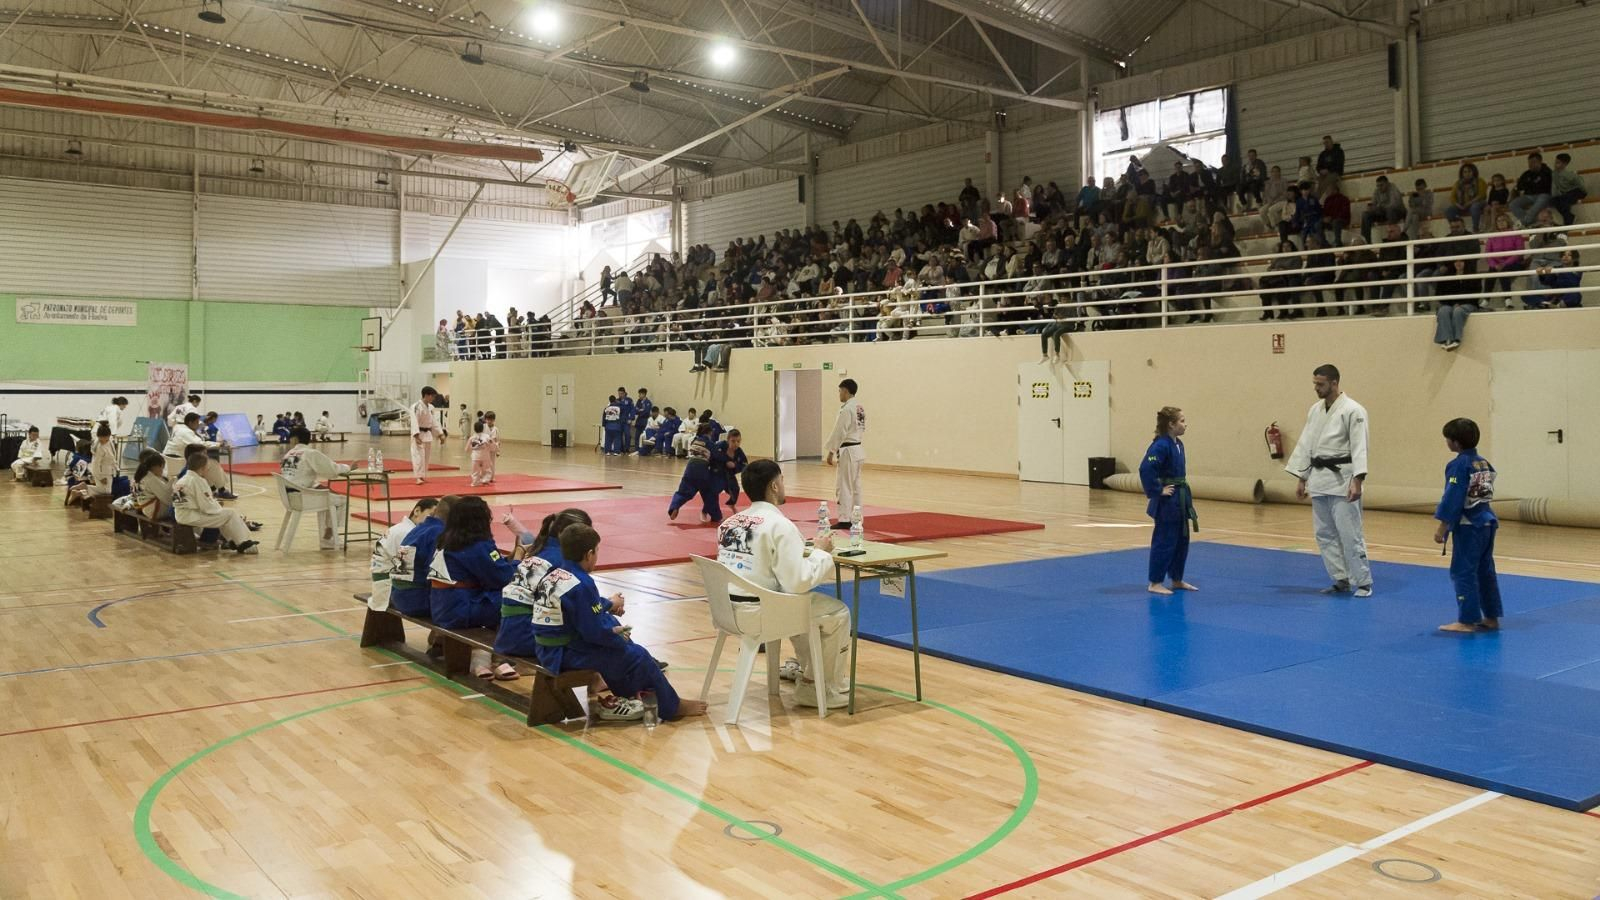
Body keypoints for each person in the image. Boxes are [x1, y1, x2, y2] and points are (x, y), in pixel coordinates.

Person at [526, 524, 706, 721]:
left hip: (546, 648)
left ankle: (630, 697)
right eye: (597, 552)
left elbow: (585, 612)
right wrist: (617, 635)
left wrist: (610, 616)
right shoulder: (582, 583)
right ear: (589, 554)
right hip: (564, 654)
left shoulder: (554, 575)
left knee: (619, 647)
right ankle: (673, 707)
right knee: (637, 655)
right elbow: (593, 632)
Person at [716, 459, 851, 709]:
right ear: (774, 486)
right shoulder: (780, 526)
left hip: (728, 611)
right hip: (761, 614)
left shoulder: (728, 524)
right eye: (782, 479)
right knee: (836, 613)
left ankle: (812, 674)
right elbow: (797, 583)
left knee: (799, 606)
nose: (783, 484)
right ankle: (816, 685)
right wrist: (822, 552)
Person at [1285, 364, 1372, 597]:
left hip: (1343, 478)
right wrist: (1302, 477)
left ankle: (1363, 581)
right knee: (1324, 533)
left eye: (1320, 384)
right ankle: (1340, 579)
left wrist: (1358, 479)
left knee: (1349, 532)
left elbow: (1360, 447)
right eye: (1314, 383)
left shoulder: (1354, 410)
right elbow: (1306, 444)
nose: (1316, 388)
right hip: (1319, 478)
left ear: (1334, 383)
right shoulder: (1315, 410)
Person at [428, 496, 519, 679]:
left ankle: (483, 656)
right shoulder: (477, 544)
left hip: (441, 606)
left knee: (495, 595)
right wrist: (518, 557)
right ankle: (501, 657)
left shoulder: (445, 540)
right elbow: (502, 577)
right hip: (461, 609)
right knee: (514, 598)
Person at [1433, 418, 1502, 633]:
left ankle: (1467, 620)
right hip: (1487, 522)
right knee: (1485, 571)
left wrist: (1442, 527)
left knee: (1463, 571)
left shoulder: (1458, 465)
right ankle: (1491, 616)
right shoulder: (1482, 463)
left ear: (1454, 443)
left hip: (1469, 525)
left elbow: (1453, 498)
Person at [495, 508, 593, 658]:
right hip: (528, 636)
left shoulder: (540, 550)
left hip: (509, 633)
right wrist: (607, 605)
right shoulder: (562, 562)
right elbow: (580, 607)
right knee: (597, 635)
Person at [1139, 407, 1199, 596]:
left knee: (1182, 540)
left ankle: (1176, 578)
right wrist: (1158, 490)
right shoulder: (1160, 445)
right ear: (1171, 424)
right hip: (1167, 500)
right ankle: (1155, 582)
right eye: (1181, 421)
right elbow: (1146, 468)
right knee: (1165, 540)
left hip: (1180, 499)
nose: (1185, 424)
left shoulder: (1178, 444)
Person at [173, 448, 258, 553]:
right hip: (191, 516)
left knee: (224, 515)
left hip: (182, 514)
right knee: (230, 513)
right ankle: (244, 544)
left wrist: (216, 506)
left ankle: (232, 541)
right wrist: (218, 506)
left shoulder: (184, 479)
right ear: (203, 467)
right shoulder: (197, 481)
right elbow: (207, 507)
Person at [280, 426, 350, 550]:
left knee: (326, 493)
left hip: (288, 496)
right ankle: (327, 538)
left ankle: (327, 538)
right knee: (341, 500)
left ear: (295, 439)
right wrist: (348, 467)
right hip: (302, 498)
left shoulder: (287, 454)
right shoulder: (310, 453)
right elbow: (331, 470)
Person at [392, 496, 455, 619]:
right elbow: (434, 572)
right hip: (416, 601)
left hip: (398, 595)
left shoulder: (418, 528)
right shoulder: (438, 532)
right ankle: (440, 636)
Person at [369, 499, 437, 610]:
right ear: (417, 511)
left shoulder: (403, 528)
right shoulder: (406, 532)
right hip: (388, 587)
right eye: (431, 515)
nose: (434, 520)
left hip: (383, 582)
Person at [824, 378, 865, 528]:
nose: (839, 394)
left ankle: (845, 519)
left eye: (840, 391)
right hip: (858, 449)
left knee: (844, 485)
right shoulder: (859, 407)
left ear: (846, 391)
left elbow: (839, 432)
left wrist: (831, 451)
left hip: (848, 450)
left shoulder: (847, 409)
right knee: (856, 486)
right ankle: (857, 517)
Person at [163, 412, 233, 497]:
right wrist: (218, 444)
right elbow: (200, 444)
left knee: (206, 463)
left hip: (171, 460)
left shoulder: (178, 428)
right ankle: (221, 490)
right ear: (190, 422)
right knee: (212, 464)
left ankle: (212, 488)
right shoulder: (185, 432)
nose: (197, 425)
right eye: (196, 422)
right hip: (179, 461)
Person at [667, 424, 723, 524]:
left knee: (683, 492)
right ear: (710, 433)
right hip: (702, 469)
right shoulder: (710, 443)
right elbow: (716, 458)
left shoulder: (694, 441)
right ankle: (716, 516)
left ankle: (674, 507)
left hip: (690, 468)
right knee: (709, 494)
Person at [409, 386, 440, 484]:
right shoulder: (416, 406)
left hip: (427, 434)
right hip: (419, 434)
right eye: (432, 396)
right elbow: (414, 421)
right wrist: (416, 435)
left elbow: (434, 422)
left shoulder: (430, 407)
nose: (433, 399)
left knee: (426, 457)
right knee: (418, 456)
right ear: (426, 395)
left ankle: (422, 476)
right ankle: (418, 477)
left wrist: (440, 434)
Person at [717, 429, 748, 510]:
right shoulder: (720, 446)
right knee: (713, 492)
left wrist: (735, 465)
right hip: (717, 474)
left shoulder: (739, 451)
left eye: (738, 441)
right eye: (733, 441)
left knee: (735, 490)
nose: (736, 444)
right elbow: (713, 457)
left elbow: (744, 464)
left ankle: (731, 504)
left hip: (729, 475)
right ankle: (705, 511)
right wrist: (725, 462)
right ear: (728, 440)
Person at [468, 421, 494, 486]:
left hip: (475, 457)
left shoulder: (472, 437)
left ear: (474, 429)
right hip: (485, 456)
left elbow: (467, 448)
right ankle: (485, 480)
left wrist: (473, 448)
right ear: (483, 428)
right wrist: (494, 449)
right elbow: (492, 445)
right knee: (487, 469)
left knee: (475, 470)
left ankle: (475, 482)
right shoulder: (487, 436)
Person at [481, 412, 501, 483]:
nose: (489, 421)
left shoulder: (496, 429)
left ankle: (491, 477)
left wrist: (498, 451)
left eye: (491, 420)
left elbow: (498, 440)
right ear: (485, 419)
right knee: (485, 463)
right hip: (485, 448)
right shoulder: (483, 427)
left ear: (494, 420)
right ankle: (484, 476)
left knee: (492, 463)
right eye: (487, 419)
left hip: (493, 448)